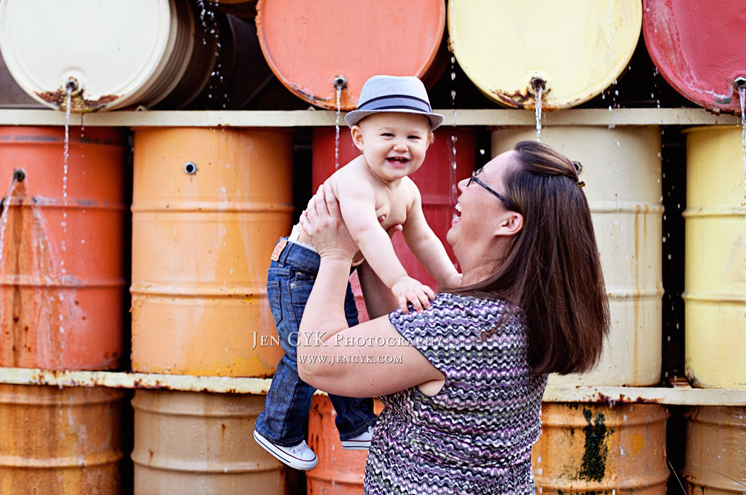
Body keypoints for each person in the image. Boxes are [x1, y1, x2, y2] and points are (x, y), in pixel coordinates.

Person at [296, 140, 609, 494]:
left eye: (478, 179)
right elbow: (401, 361)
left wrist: (336, 254)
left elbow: (317, 361)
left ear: (509, 222)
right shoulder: (517, 312)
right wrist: (368, 253)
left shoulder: (461, 328)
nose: (462, 184)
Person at [253, 75, 462, 471]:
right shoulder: (355, 182)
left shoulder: (408, 190)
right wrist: (399, 280)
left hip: (334, 269)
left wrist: (451, 279)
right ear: (359, 138)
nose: (401, 145)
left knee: (347, 344)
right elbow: (366, 234)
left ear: (429, 143)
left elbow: (424, 239)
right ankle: (277, 429)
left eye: (414, 137)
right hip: (298, 268)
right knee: (308, 347)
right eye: (387, 134)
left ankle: (355, 423)